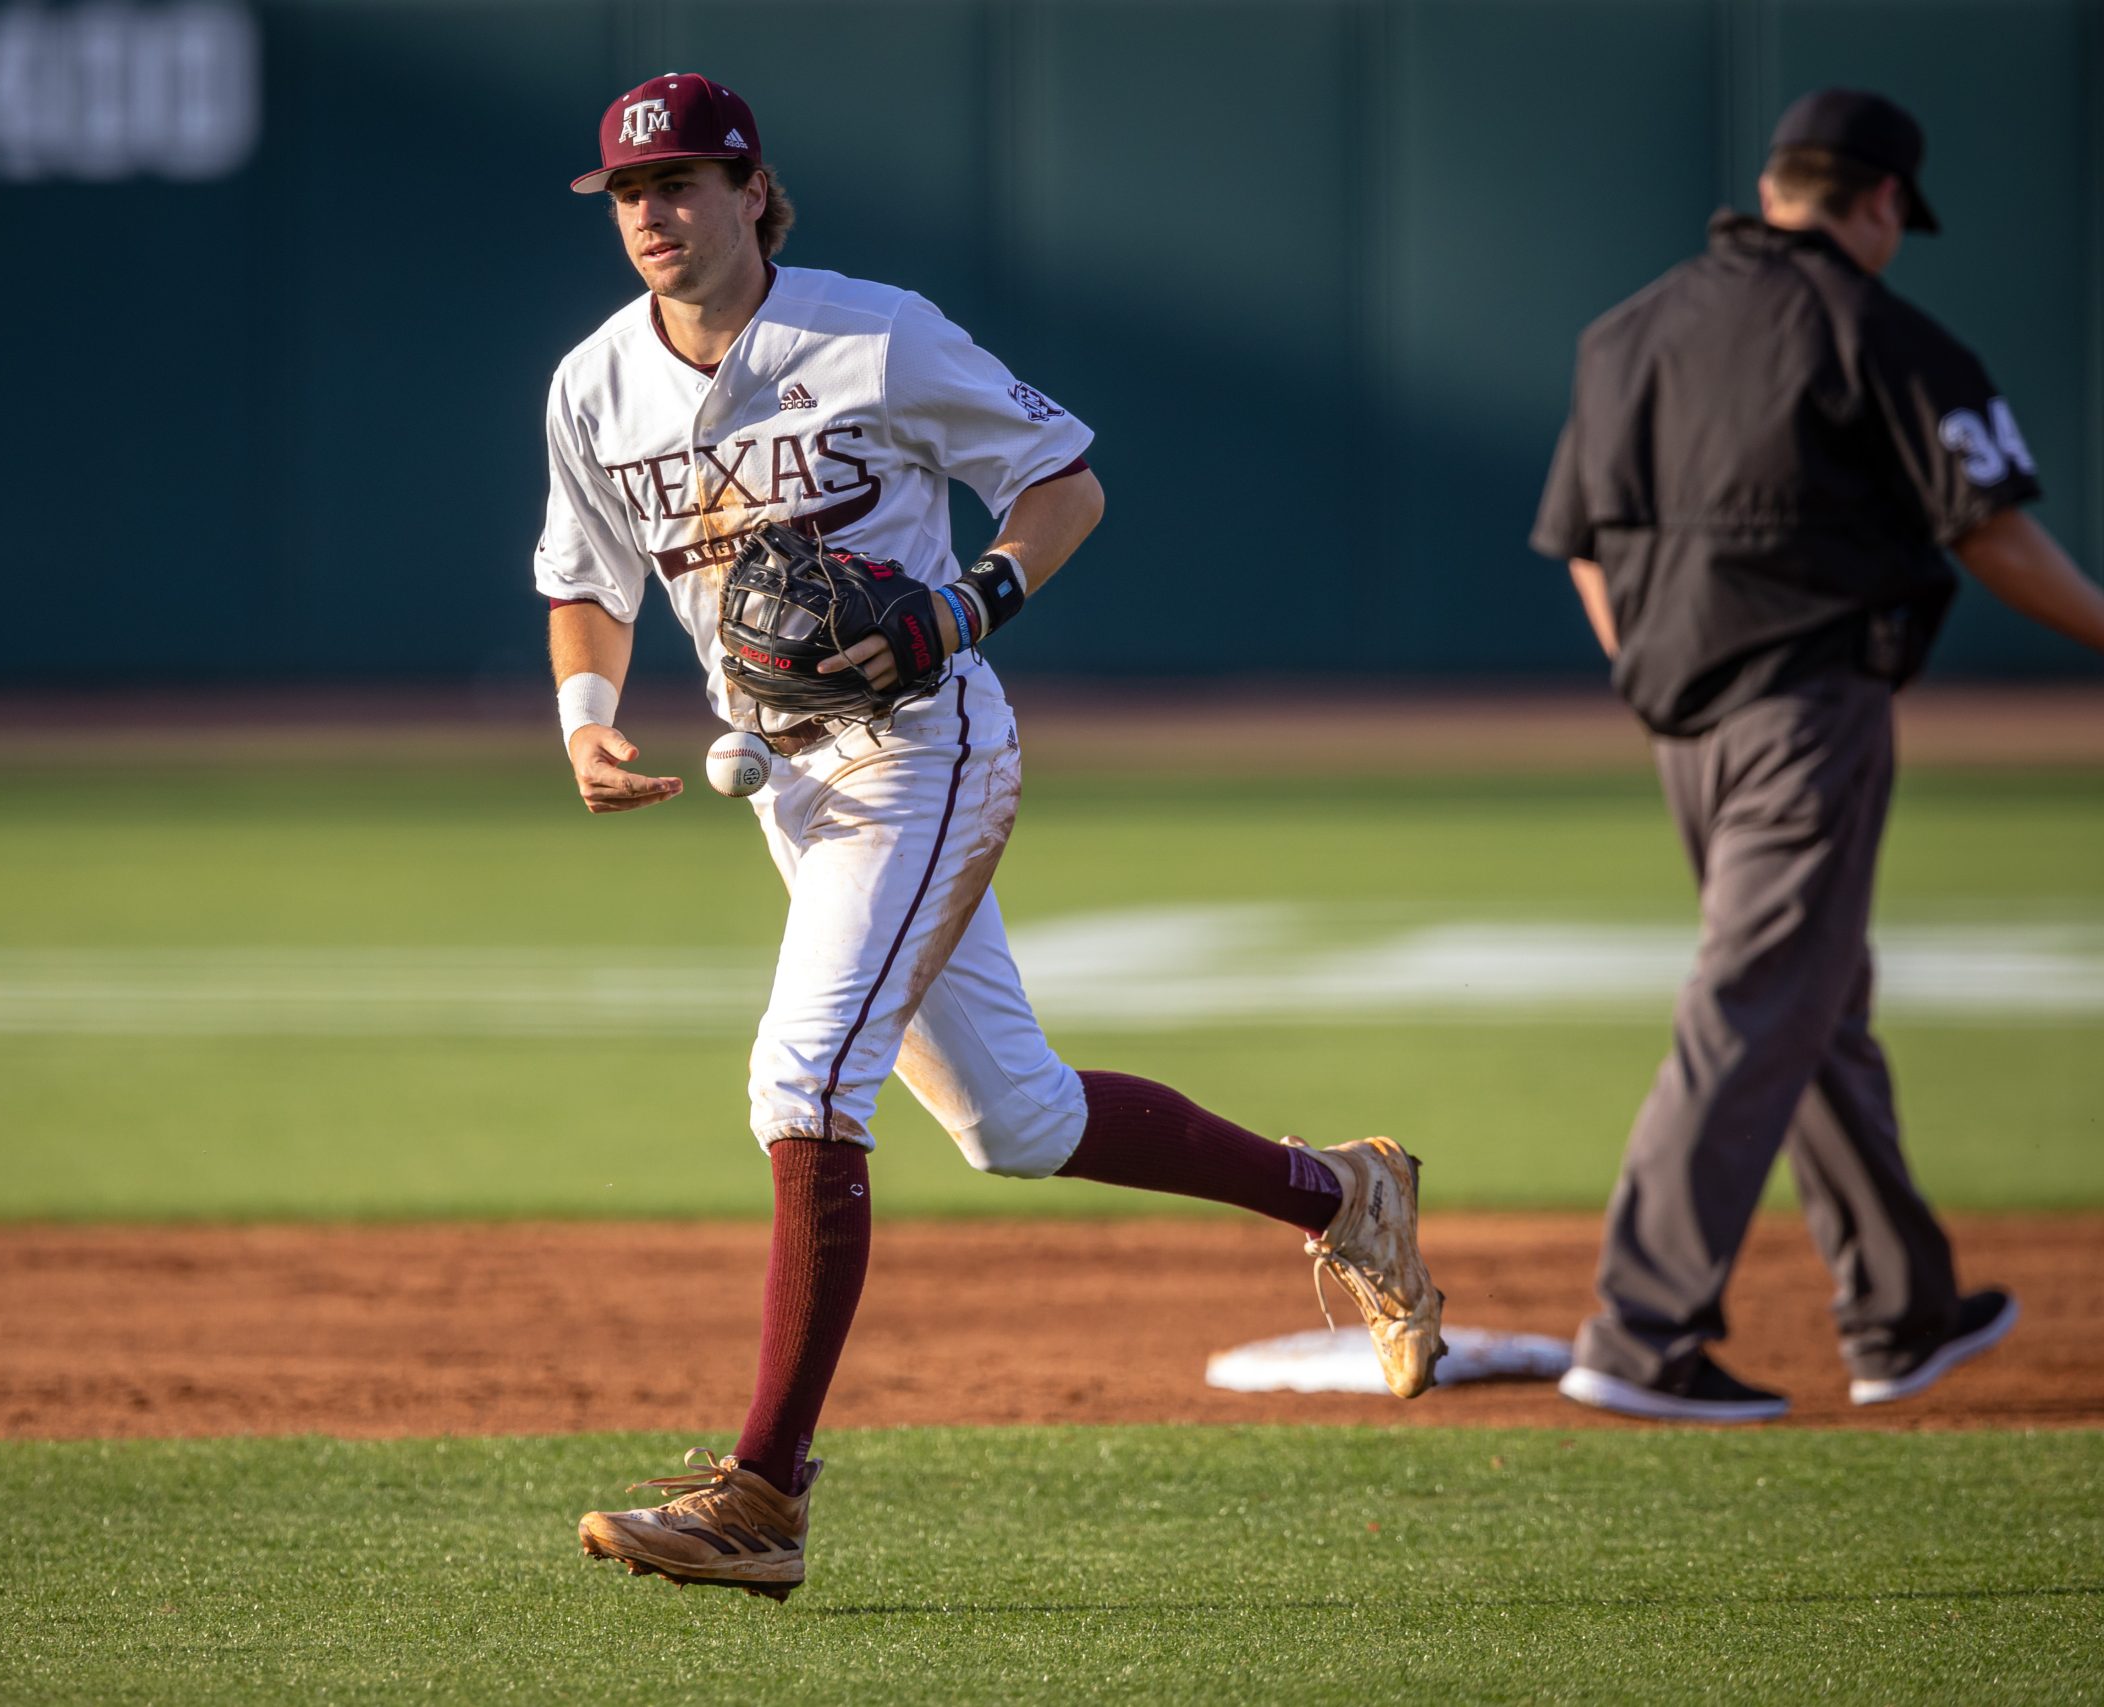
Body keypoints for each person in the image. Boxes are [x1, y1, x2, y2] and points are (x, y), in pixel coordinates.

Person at [535, 73, 1445, 1599]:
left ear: (757, 193)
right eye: (630, 192)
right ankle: (1349, 1195)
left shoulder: (873, 332)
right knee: (1018, 1122)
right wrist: (582, 712)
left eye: (686, 184)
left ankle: (763, 1495)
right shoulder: (592, 382)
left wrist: (970, 603)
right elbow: (585, 569)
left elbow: (1060, 482)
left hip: (924, 748)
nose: (654, 214)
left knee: (805, 1077)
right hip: (794, 786)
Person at [1532, 88, 2104, 1423]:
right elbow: (1996, 535)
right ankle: (1640, 1330)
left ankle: (1900, 1312)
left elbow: (1580, 543)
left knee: (1813, 994)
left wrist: (1645, 679)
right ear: (1884, 203)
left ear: (1780, 183)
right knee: (1758, 998)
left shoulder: (1631, 332)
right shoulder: (1881, 331)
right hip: (1805, 711)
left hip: (1678, 712)